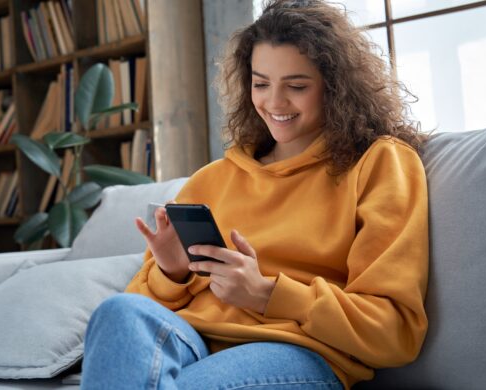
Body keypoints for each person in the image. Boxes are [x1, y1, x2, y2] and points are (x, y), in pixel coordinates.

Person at [80, 0, 429, 389]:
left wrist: (266, 294)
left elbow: (394, 331)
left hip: (297, 350)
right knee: (119, 312)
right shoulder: (212, 179)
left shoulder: (379, 163)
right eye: (261, 83)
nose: (274, 103)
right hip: (193, 340)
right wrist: (172, 273)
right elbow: (146, 312)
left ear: (335, 87)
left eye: (296, 86)